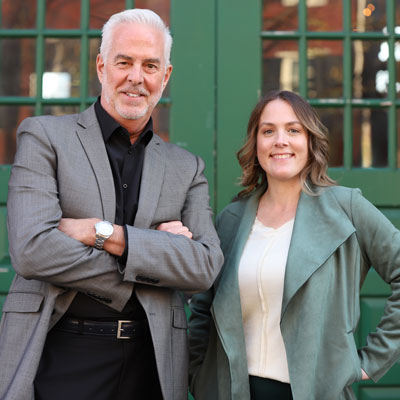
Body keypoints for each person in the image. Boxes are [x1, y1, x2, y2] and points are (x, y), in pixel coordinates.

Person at [0, 9, 223, 400]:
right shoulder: (45, 137)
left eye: (150, 65)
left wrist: (101, 233)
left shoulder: (187, 168)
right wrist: (158, 253)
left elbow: (204, 266)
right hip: (63, 353)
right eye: (125, 62)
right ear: (102, 66)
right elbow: (32, 251)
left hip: (151, 363)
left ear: (165, 76)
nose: (136, 77)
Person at [188, 90, 400, 400]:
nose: (280, 141)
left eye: (293, 130)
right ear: (256, 143)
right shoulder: (231, 219)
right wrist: (198, 374)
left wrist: (373, 360)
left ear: (310, 141)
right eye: (268, 131)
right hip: (232, 391)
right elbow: (203, 308)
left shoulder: (346, 208)